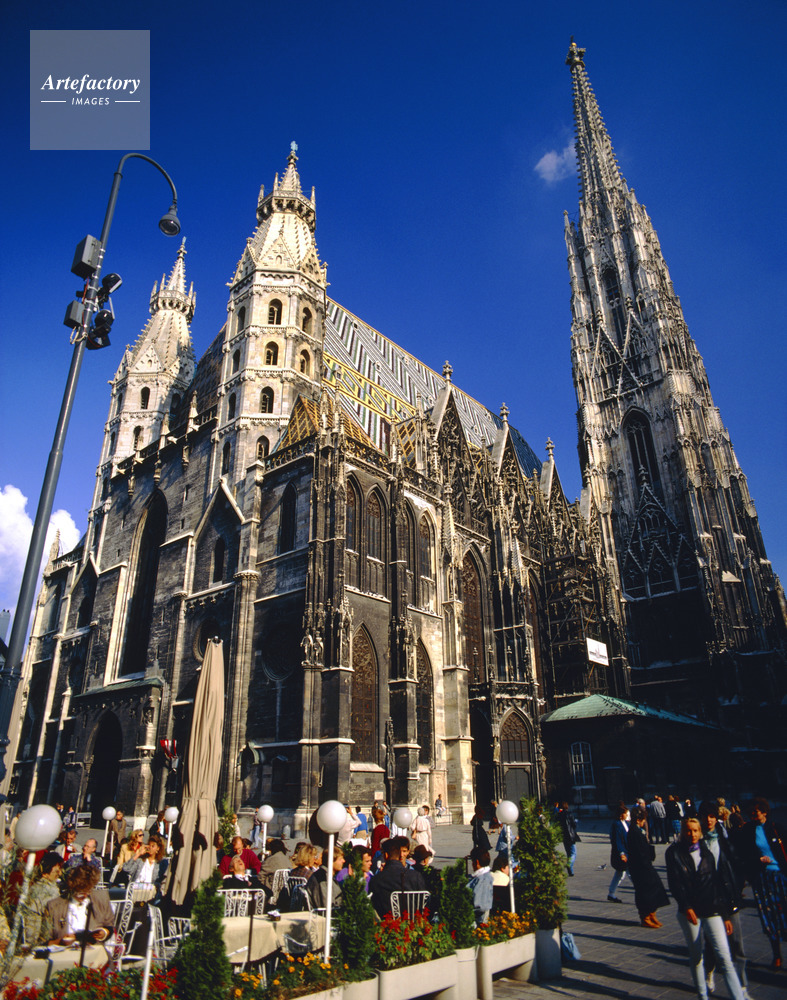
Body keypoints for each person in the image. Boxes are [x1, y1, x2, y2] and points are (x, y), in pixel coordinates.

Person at [665, 817, 745, 1000]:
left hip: (711, 908)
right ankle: (702, 995)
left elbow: (715, 884)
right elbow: (675, 883)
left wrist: (725, 915)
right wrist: (686, 906)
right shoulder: (674, 853)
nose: (692, 834)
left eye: (695, 830)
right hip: (690, 910)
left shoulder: (706, 852)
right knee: (696, 956)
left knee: (724, 957)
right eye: (688, 830)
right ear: (683, 831)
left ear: (700, 832)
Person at [699, 801, 751, 998]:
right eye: (705, 816)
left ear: (716, 818)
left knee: (737, 943)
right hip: (708, 898)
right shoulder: (697, 839)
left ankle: (742, 986)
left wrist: (738, 887)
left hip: (728, 895)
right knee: (711, 942)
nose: (709, 820)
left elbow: (736, 862)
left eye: (712, 816)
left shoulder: (724, 837)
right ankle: (709, 972)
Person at [736, 797, 787, 970]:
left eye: (756, 812)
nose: (753, 815)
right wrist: (757, 860)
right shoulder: (748, 830)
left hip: (781, 876)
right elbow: (742, 855)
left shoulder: (776, 827)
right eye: (750, 812)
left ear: (764, 812)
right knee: (769, 916)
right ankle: (777, 955)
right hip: (763, 878)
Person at [41, 863, 114, 946]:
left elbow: (109, 925)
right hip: (64, 951)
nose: (85, 896)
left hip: (94, 950)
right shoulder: (54, 906)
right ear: (72, 888)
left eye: (88, 891)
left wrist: (104, 932)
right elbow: (44, 941)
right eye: (81, 893)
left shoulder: (100, 898)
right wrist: (60, 942)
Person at [626, 807, 669, 928]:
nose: (644, 821)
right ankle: (645, 916)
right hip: (640, 867)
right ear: (638, 820)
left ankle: (652, 913)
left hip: (645, 866)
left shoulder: (637, 830)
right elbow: (639, 852)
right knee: (645, 892)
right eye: (643, 819)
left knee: (655, 888)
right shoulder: (634, 832)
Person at [370, 836, 427, 918]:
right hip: (413, 921)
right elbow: (423, 901)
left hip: (388, 922)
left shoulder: (377, 879)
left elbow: (375, 905)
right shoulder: (416, 876)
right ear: (399, 855)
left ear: (386, 855)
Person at [20, 851, 63, 945]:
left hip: (39, 937)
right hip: (42, 940)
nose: (60, 874)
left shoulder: (37, 887)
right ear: (45, 873)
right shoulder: (46, 890)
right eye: (57, 871)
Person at [306, 844, 346, 909]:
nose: (343, 861)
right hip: (328, 913)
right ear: (331, 861)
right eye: (340, 859)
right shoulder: (322, 879)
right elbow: (326, 906)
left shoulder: (327, 875)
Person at [607, 806, 629, 902]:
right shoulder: (617, 824)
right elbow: (617, 840)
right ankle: (641, 893)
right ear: (621, 815)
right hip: (622, 853)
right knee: (630, 873)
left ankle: (611, 893)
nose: (627, 815)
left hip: (626, 851)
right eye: (626, 813)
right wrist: (621, 853)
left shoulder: (625, 823)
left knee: (620, 874)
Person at [468, 846, 494, 925]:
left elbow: (481, 906)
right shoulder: (481, 877)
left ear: (477, 862)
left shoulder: (483, 880)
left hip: (475, 922)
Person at [557, 801, 580, 876]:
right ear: (567, 807)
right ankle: (569, 864)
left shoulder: (559, 815)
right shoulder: (569, 814)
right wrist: (575, 822)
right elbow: (573, 825)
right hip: (570, 836)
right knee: (573, 853)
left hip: (564, 836)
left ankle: (571, 872)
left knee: (568, 853)